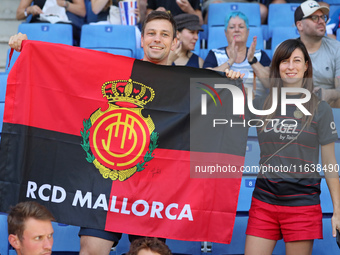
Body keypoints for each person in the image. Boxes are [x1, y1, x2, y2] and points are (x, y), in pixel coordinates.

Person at [8, 10, 244, 254]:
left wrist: (230, 85)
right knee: (90, 249)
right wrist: (27, 48)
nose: (156, 39)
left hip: (154, 192)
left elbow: (219, 122)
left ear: (175, 42)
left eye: (164, 35)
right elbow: (64, 67)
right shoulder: (113, 70)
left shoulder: (190, 84)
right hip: (103, 185)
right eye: (151, 33)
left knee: (149, 253)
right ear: (141, 39)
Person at [244, 39, 340, 255]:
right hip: (264, 201)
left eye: (297, 60)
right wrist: (229, 80)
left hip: (302, 204)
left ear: (306, 65)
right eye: (285, 61)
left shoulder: (320, 109)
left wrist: (338, 210)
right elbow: (217, 111)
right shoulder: (260, 104)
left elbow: (329, 162)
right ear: (277, 66)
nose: (290, 66)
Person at [203, 11, 271, 97]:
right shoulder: (215, 54)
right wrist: (230, 61)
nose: (236, 30)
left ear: (248, 32)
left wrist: (252, 61)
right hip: (224, 103)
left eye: (241, 27)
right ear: (225, 33)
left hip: (256, 104)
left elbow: (270, 83)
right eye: (232, 27)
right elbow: (205, 80)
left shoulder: (260, 54)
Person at [294, 0, 340, 108]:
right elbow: (275, 86)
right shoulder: (287, 50)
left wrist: (329, 94)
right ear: (300, 25)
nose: (321, 21)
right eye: (314, 18)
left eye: (322, 17)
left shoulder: (337, 48)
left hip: (329, 107)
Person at [16, 0, 86, 46]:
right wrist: (29, 10)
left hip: (62, 25)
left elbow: (82, 12)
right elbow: (18, 14)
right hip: (39, 24)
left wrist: (66, 4)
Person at [202, 0, 268, 25]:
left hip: (245, 2)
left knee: (262, 10)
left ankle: (252, 36)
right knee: (215, 6)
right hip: (220, 0)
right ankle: (207, 38)